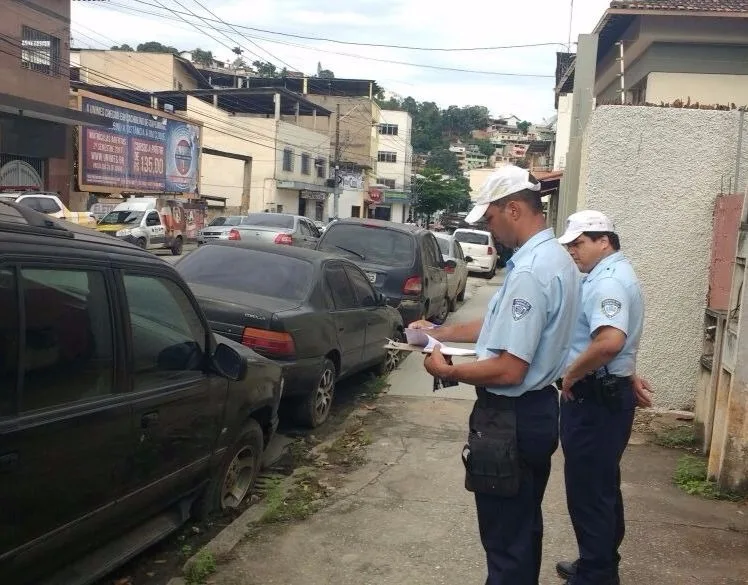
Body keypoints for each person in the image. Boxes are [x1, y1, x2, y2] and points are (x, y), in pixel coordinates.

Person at [410, 165, 581, 585]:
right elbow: (498, 323)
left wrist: (448, 370)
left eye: (490, 219)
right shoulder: (551, 259)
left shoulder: (528, 272)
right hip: (535, 412)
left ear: (514, 209)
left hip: (512, 418)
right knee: (520, 527)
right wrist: (440, 332)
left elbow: (508, 368)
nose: (491, 229)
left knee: (506, 540)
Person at [554, 210, 650, 585]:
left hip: (594, 400)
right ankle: (599, 562)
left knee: (589, 492)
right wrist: (627, 373)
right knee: (601, 485)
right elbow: (616, 345)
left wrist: (571, 373)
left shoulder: (607, 281)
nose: (573, 252)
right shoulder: (614, 274)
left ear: (603, 241)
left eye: (578, 243)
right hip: (608, 393)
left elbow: (610, 341)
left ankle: (596, 576)